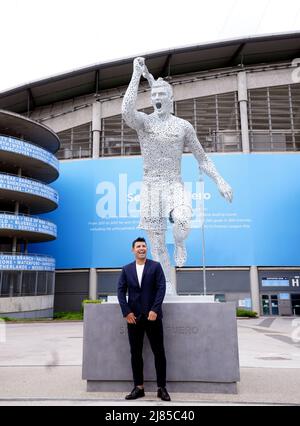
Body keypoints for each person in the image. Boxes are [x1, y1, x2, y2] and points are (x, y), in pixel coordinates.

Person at [122, 57, 233, 294]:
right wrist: (135, 74)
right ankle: (167, 286)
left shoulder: (183, 126)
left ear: (171, 98)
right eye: (154, 95)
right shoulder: (144, 123)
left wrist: (220, 180)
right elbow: (126, 110)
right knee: (158, 246)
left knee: (183, 218)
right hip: (151, 187)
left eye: (162, 95)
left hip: (174, 183)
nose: (157, 98)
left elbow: (202, 158)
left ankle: (180, 243)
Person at [117, 237, 170, 401]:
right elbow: (120, 291)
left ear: (146, 249)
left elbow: (162, 288)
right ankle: (138, 387)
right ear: (133, 250)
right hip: (134, 319)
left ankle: (162, 388)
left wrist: (155, 309)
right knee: (135, 353)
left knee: (159, 352)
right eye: (138, 246)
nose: (141, 248)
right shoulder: (126, 269)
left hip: (153, 317)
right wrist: (126, 312)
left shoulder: (155, 266)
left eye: (144, 246)